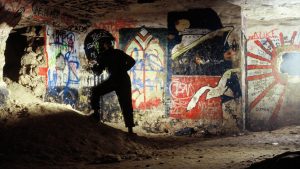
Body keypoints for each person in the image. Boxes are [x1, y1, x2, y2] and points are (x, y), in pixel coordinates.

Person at [88, 35, 136, 134]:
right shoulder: (119, 52)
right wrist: (123, 69)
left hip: (113, 79)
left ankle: (96, 114)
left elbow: (98, 72)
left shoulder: (104, 55)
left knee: (95, 91)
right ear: (111, 44)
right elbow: (132, 61)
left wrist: (92, 67)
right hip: (124, 79)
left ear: (105, 45)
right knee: (126, 103)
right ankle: (130, 130)